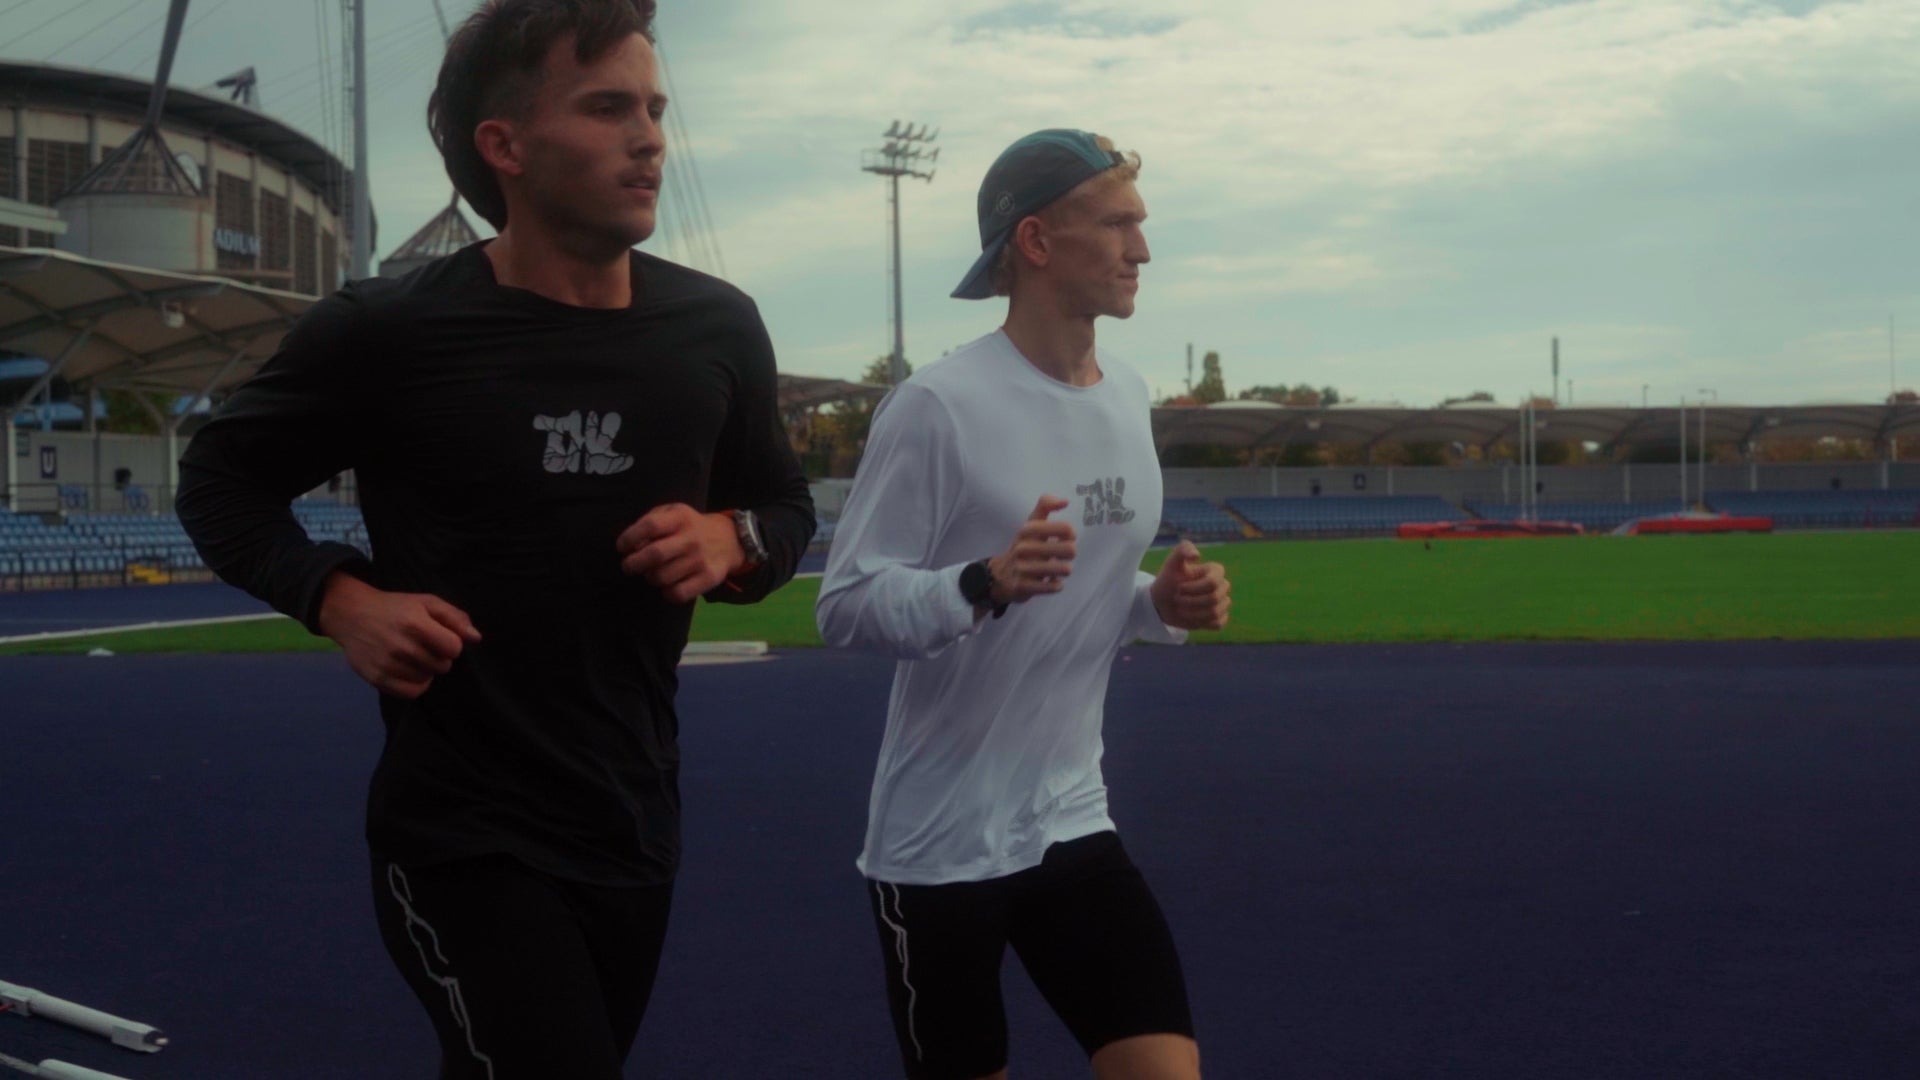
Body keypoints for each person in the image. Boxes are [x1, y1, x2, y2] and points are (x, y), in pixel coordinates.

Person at [175, 2, 814, 1076]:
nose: (650, 135)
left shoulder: (718, 328)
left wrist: (732, 537)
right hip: (463, 832)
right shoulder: (388, 329)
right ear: (505, 146)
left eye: (654, 107)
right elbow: (220, 480)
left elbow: (785, 512)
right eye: (608, 107)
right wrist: (341, 599)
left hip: (634, 817)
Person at [816, 129, 1232, 1080]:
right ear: (1037, 242)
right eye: (1118, 224)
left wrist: (1158, 599)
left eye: (1142, 225)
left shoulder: (1128, 396)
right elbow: (843, 604)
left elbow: (1087, 585)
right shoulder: (939, 406)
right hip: (938, 847)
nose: (1143, 250)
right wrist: (980, 582)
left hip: (1070, 819)